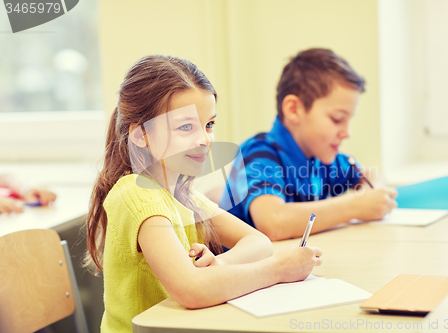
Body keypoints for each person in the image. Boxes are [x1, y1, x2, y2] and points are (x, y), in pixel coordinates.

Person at [84, 55, 322, 333]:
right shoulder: (137, 193)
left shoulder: (183, 194)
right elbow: (191, 290)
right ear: (140, 135)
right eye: (186, 127)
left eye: (208, 125)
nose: (205, 139)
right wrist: (279, 269)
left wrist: (218, 264)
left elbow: (258, 242)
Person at [220, 48, 398, 241]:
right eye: (337, 119)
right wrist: (356, 205)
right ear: (294, 109)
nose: (347, 133)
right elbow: (273, 222)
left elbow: (370, 175)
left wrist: (372, 194)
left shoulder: (320, 157)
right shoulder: (258, 154)